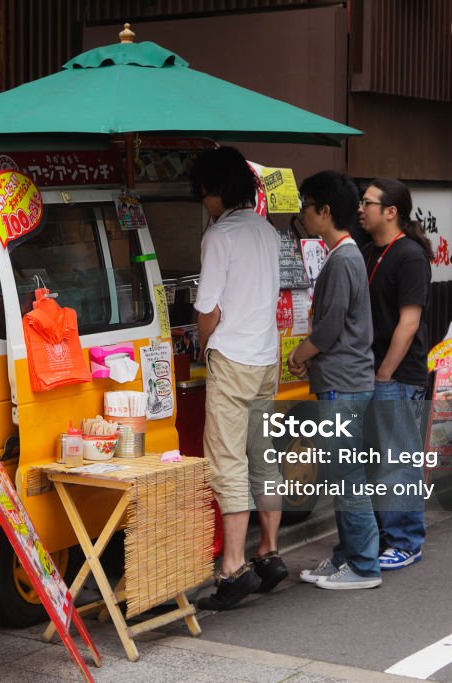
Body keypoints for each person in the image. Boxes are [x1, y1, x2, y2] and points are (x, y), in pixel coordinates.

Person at [191, 146, 286, 610]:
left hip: (231, 358)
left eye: (205, 194)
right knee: (261, 455)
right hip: (266, 356)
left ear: (218, 191)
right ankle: (268, 551)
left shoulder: (219, 236)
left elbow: (207, 307)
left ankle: (232, 567)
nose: (204, 203)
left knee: (227, 460)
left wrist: (203, 344)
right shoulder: (268, 232)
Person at [287, 171, 380, 589]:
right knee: (342, 472)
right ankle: (347, 556)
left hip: (343, 382)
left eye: (306, 205)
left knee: (347, 474)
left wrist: (299, 354)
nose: (302, 214)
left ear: (325, 211)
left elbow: (328, 329)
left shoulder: (343, 258)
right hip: (343, 379)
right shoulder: (346, 255)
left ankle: (363, 566)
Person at [357, 178, 432, 571]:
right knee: (378, 459)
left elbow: (409, 323)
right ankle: (388, 536)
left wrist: (384, 374)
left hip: (398, 376)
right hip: (373, 373)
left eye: (368, 202)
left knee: (399, 461)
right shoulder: (370, 251)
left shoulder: (410, 256)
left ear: (391, 211)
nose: (360, 208)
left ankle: (406, 540)